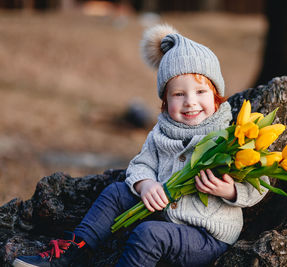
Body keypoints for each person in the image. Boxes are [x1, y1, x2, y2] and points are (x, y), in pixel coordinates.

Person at [13, 24, 269, 267]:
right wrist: (145, 184)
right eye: (179, 94)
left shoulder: (229, 135)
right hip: (164, 213)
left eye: (200, 92)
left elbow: (261, 181)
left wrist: (229, 191)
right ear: (165, 101)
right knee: (115, 192)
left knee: (148, 234)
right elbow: (141, 164)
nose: (190, 102)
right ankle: (73, 251)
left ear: (216, 95)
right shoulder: (161, 132)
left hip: (206, 236)